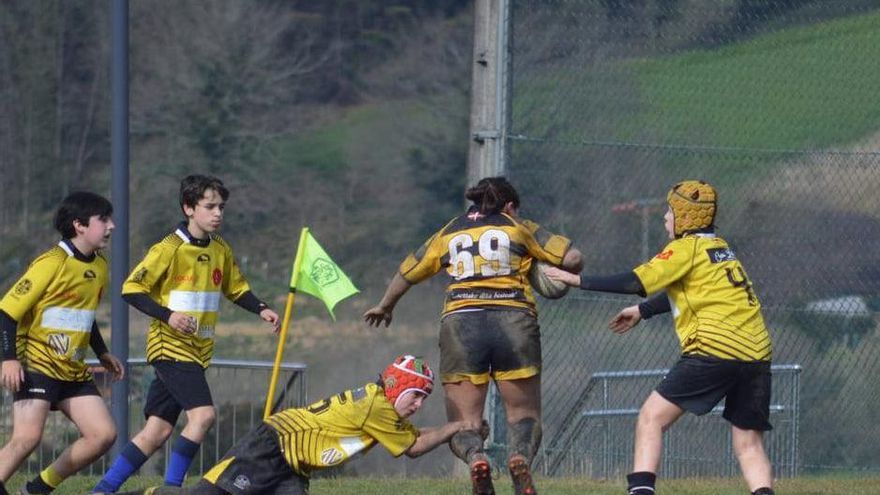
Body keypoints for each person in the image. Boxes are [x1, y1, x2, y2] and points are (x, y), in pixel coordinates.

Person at [546, 180, 774, 495]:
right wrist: (643, 310)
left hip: (714, 350)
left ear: (684, 217)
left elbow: (634, 281)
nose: (665, 216)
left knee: (651, 418)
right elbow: (692, 291)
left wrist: (577, 279)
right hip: (757, 354)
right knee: (748, 443)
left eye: (670, 210)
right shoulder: (720, 248)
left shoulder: (684, 248)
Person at [364, 177, 583, 495]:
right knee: (524, 415)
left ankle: (475, 456)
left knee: (464, 422)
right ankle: (519, 456)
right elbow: (573, 259)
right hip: (514, 321)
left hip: (462, 325)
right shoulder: (518, 226)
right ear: (509, 206)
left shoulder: (450, 230)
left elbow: (408, 271)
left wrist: (386, 305)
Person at [93, 175, 281, 493]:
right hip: (170, 349)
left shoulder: (220, 249)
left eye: (221, 206)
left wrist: (261, 307)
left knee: (156, 431)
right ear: (189, 208)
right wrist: (169, 316)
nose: (218, 213)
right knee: (204, 415)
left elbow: (236, 289)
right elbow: (131, 289)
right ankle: (173, 487)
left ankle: (103, 489)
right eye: (209, 206)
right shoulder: (169, 248)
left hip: (198, 352)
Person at [104, 354, 481, 495]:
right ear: (396, 387)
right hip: (270, 448)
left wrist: (455, 426)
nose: (417, 405)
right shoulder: (377, 407)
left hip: (292, 464)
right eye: (415, 395)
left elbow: (413, 439)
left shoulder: (377, 400)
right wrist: (458, 425)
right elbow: (414, 449)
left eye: (423, 399)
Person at [0, 192, 125, 495]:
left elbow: (85, 314)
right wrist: (9, 358)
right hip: (37, 365)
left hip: (72, 370)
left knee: (103, 434)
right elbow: (7, 310)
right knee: (27, 438)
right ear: (79, 225)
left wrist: (102, 351)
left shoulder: (100, 266)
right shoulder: (51, 262)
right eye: (104, 220)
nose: (112, 226)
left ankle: (36, 489)